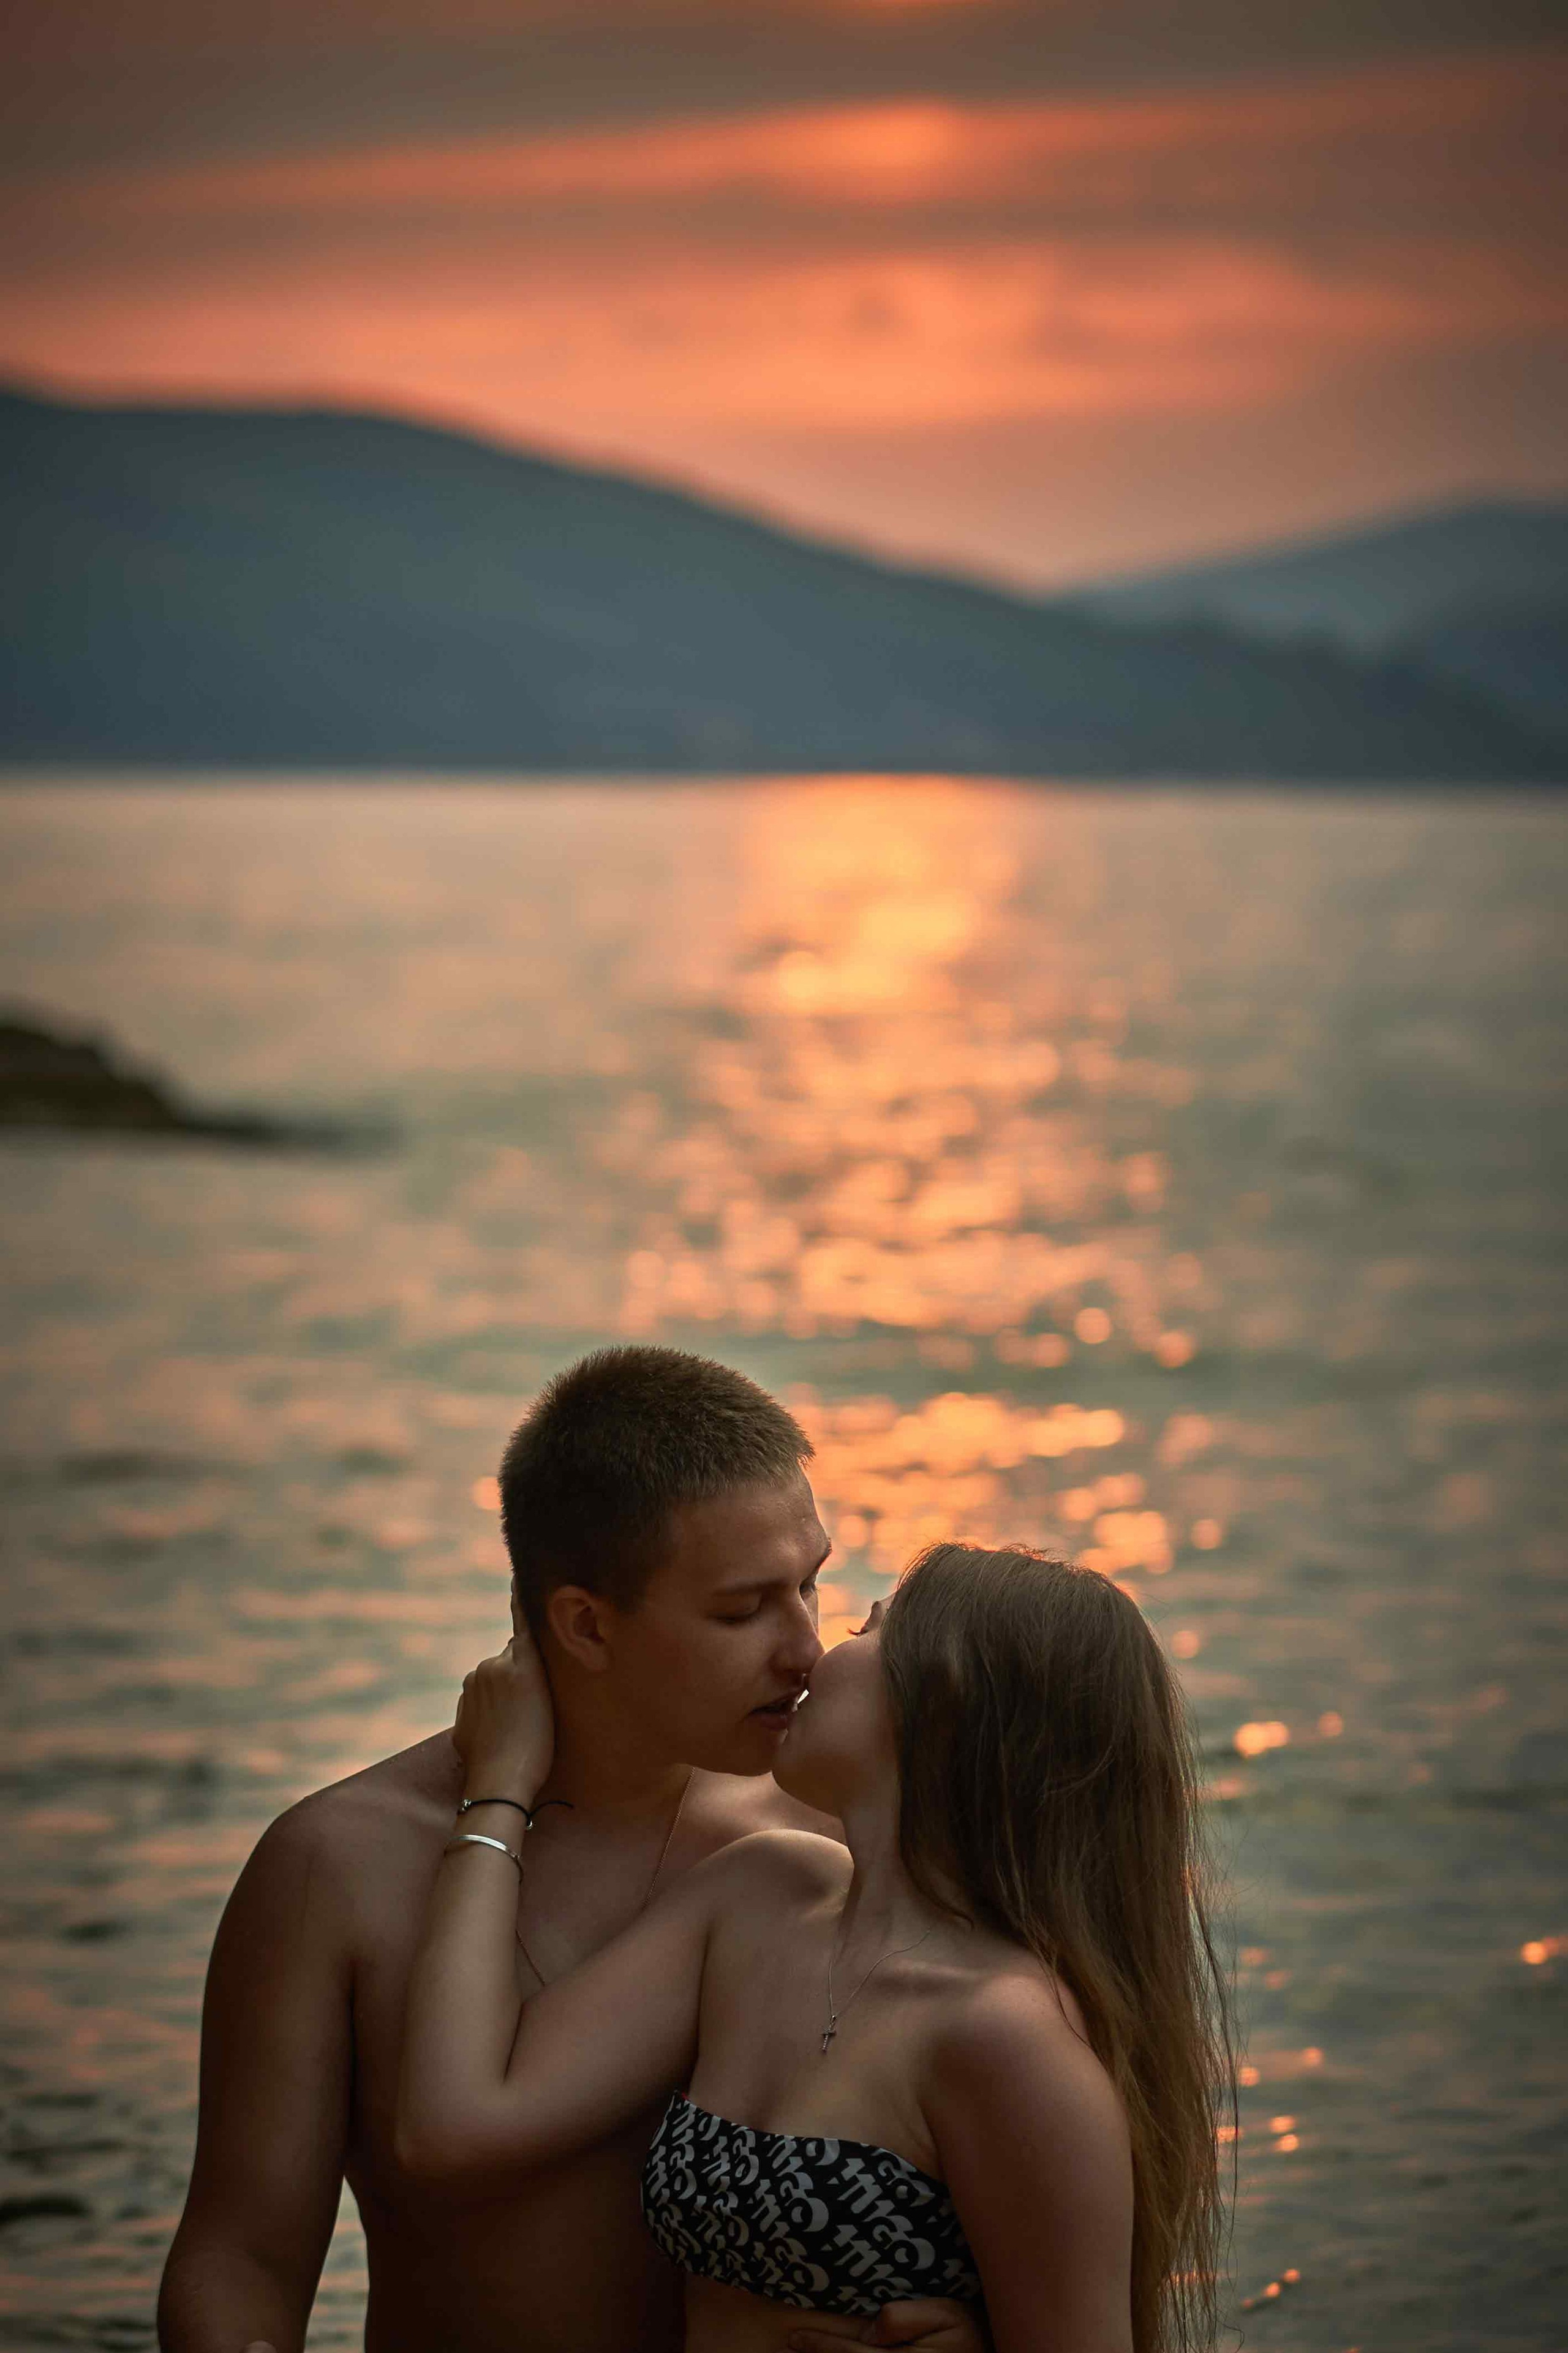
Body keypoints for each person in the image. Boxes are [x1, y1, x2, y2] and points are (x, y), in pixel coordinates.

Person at [157, 1347, 981, 2353]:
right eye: (743, 1608)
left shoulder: (829, 1838)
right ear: (586, 1625)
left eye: (811, 1585)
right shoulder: (336, 1867)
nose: (806, 1647)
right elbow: (238, 2257)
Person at [398, 1541, 1234, 2352]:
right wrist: (501, 1785)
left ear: (941, 1704)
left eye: (866, 1631)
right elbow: (456, 2123)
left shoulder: (1005, 2035)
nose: (809, 1655)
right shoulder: (760, 1895)